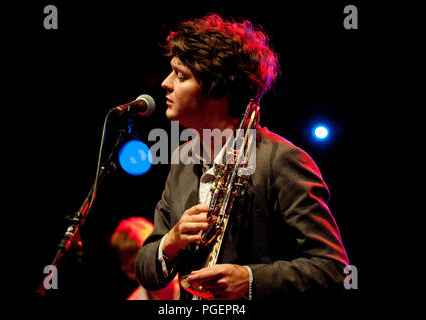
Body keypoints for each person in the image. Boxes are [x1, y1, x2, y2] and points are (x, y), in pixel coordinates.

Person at [135, 13, 349, 300]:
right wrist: (172, 240)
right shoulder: (182, 159)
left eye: (181, 75)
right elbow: (145, 268)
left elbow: (333, 269)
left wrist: (250, 280)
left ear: (217, 88)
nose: (165, 83)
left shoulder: (281, 160)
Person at [110, 217, 179, 300]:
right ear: (128, 271)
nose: (150, 270)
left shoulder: (193, 285)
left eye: (151, 258)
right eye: (140, 266)